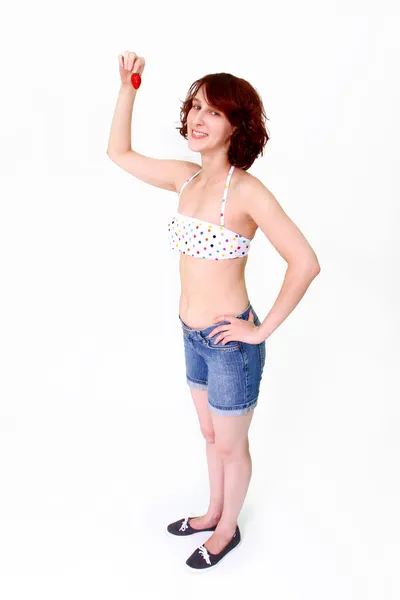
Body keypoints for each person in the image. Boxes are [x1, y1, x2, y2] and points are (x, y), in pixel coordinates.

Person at [107, 51, 321, 571]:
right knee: (209, 436)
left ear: (236, 125)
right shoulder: (185, 178)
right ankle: (210, 512)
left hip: (230, 346)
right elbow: (119, 153)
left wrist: (260, 329)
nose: (198, 119)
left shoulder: (246, 191)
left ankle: (227, 530)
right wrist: (129, 87)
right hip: (191, 334)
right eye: (195, 107)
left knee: (231, 446)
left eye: (214, 112)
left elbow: (306, 262)